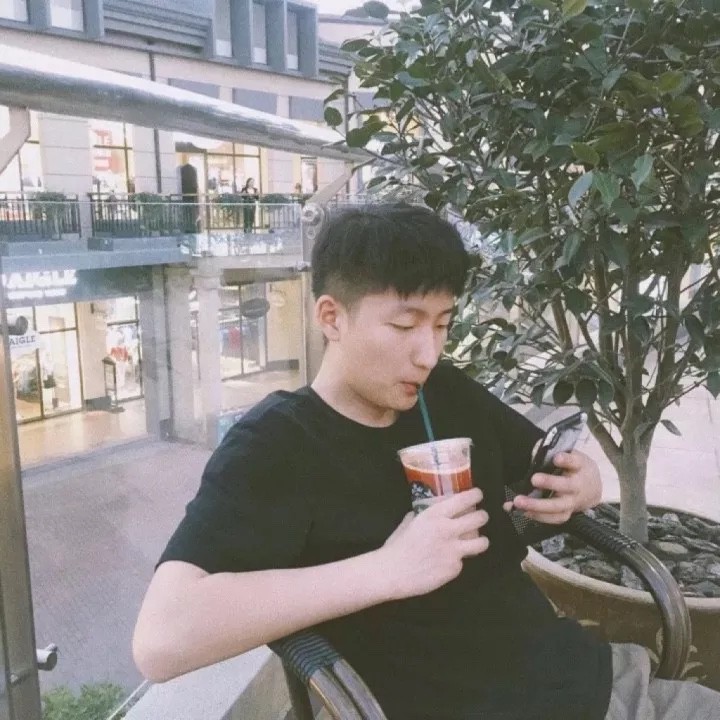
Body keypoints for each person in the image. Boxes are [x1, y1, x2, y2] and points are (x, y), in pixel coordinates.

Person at [133, 206, 720, 720]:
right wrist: (388, 569)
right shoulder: (279, 445)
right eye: (405, 324)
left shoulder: (444, 393)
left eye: (443, 323)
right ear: (331, 317)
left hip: (595, 678)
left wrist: (579, 481)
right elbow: (161, 641)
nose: (429, 352)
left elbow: (544, 461)